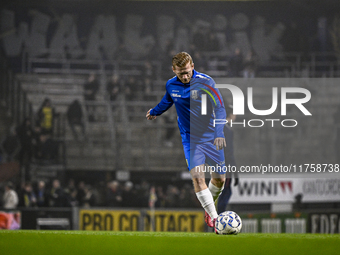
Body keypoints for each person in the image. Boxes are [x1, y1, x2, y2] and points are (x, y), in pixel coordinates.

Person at [146, 52, 227, 231]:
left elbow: (220, 108)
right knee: (198, 178)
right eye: (180, 73)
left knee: (220, 179)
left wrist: (219, 133)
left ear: (192, 66)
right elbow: (168, 101)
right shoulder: (171, 84)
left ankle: (209, 206)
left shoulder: (206, 82)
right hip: (191, 139)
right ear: (174, 70)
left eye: (187, 72)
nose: (184, 76)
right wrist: (155, 111)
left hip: (211, 136)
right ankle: (215, 219)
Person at [216, 104, 239, 214]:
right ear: (230, 115)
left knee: (220, 192)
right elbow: (229, 152)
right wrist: (235, 173)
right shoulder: (228, 131)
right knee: (226, 192)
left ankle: (215, 219)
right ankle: (219, 219)